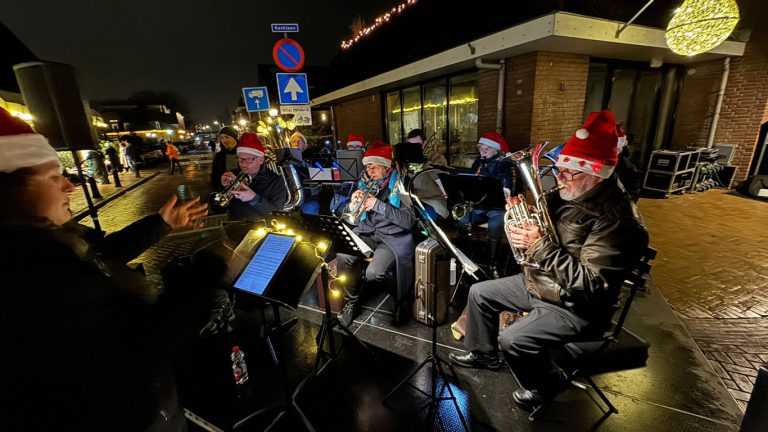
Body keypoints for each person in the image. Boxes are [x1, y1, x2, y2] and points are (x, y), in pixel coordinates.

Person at [0, 107, 209, 432]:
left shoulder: (48, 242)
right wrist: (203, 279)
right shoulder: (26, 275)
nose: (68, 186)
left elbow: (102, 252)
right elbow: (133, 350)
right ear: (10, 191)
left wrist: (161, 223)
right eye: (52, 176)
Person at [448, 110, 649, 410]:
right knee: (479, 292)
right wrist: (517, 221)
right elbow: (541, 222)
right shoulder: (567, 192)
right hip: (544, 282)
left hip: (577, 306)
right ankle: (482, 353)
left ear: (596, 172)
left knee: (514, 339)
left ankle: (545, 383)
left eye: (569, 172)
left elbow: (592, 285)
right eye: (559, 169)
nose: (559, 177)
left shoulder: (618, 221)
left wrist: (538, 246)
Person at [335, 141, 415, 327]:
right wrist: (352, 204)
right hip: (367, 231)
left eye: (374, 167)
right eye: (367, 167)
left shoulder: (402, 185)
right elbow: (348, 216)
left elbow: (409, 221)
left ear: (387, 168)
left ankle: (402, 298)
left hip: (392, 237)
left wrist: (378, 205)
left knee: (375, 273)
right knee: (344, 255)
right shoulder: (363, 182)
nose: (369, 172)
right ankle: (351, 303)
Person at [458, 132, 516, 277]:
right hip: (479, 206)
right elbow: (471, 181)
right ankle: (464, 258)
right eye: (481, 148)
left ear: (496, 150)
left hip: (497, 207)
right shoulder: (479, 162)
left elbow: (507, 188)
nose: (482, 152)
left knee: (495, 227)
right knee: (463, 221)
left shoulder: (504, 164)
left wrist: (487, 168)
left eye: (487, 149)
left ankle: (493, 264)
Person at [217, 133, 288, 220]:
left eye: (249, 160)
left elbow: (277, 215)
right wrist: (222, 187)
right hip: (235, 226)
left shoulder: (275, 180)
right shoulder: (232, 175)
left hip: (261, 228)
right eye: (240, 159)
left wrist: (254, 198)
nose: (243, 164)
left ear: (261, 160)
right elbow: (219, 208)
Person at [289, 131, 320, 214]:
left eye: (300, 141)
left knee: (311, 207)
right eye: (294, 141)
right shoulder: (285, 162)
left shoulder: (310, 162)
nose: (296, 143)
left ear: (305, 146)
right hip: (289, 198)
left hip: (307, 199)